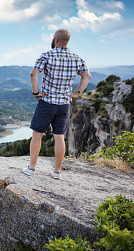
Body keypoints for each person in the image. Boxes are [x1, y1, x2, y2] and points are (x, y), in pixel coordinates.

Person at [22, 29, 91, 179]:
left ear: (56, 39)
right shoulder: (76, 57)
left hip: (47, 102)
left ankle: (32, 168)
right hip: (64, 104)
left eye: (53, 38)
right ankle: (57, 172)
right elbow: (86, 76)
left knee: (37, 135)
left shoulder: (47, 55)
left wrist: (35, 92)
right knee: (59, 137)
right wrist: (76, 94)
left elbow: (34, 73)